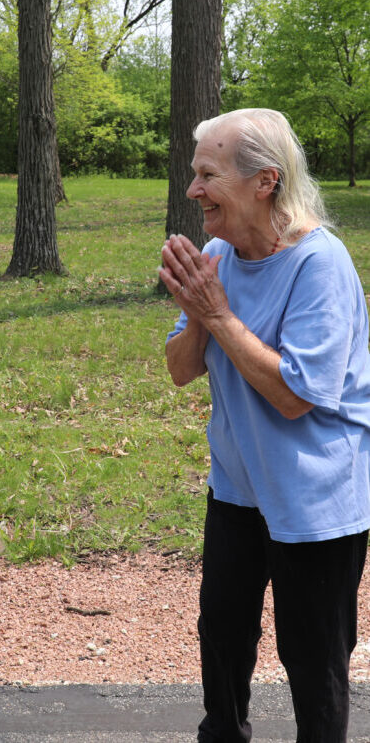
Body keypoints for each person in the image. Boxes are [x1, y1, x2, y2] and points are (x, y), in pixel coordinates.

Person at [159, 108, 370, 742]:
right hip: (236, 490)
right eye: (194, 175)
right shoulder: (218, 255)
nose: (193, 191)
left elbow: (295, 396)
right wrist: (197, 313)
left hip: (315, 501)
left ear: (265, 181)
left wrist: (218, 314)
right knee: (222, 641)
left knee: (312, 662)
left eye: (207, 176)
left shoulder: (319, 264)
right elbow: (180, 369)